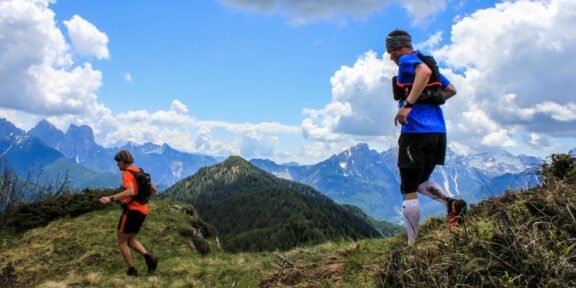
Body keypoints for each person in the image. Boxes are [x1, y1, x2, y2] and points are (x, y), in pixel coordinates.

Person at [386, 29, 467, 244]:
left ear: (400, 48)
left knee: (408, 189)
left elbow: (423, 73)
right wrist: (428, 98)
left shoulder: (408, 61)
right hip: (438, 133)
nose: (390, 56)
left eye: (391, 51)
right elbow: (451, 90)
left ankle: (412, 244)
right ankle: (451, 203)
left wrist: (409, 106)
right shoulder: (429, 61)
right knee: (421, 181)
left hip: (415, 133)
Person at [99, 150, 159, 276]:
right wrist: (144, 201)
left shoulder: (127, 173)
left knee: (122, 241)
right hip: (143, 211)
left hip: (131, 211)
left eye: (118, 162)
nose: (117, 165)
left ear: (123, 161)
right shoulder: (140, 170)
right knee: (131, 239)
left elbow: (131, 191)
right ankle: (150, 259)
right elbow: (154, 189)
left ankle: (132, 271)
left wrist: (110, 198)